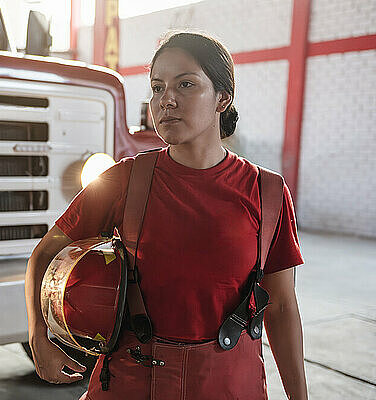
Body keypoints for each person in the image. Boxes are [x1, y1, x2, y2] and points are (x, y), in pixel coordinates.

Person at [25, 31, 308, 399]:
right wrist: (39, 338)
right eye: (157, 88)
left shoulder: (266, 192)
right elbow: (45, 254)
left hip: (230, 385)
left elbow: (282, 306)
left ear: (223, 97)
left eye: (185, 85)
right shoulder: (124, 180)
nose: (166, 100)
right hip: (132, 382)